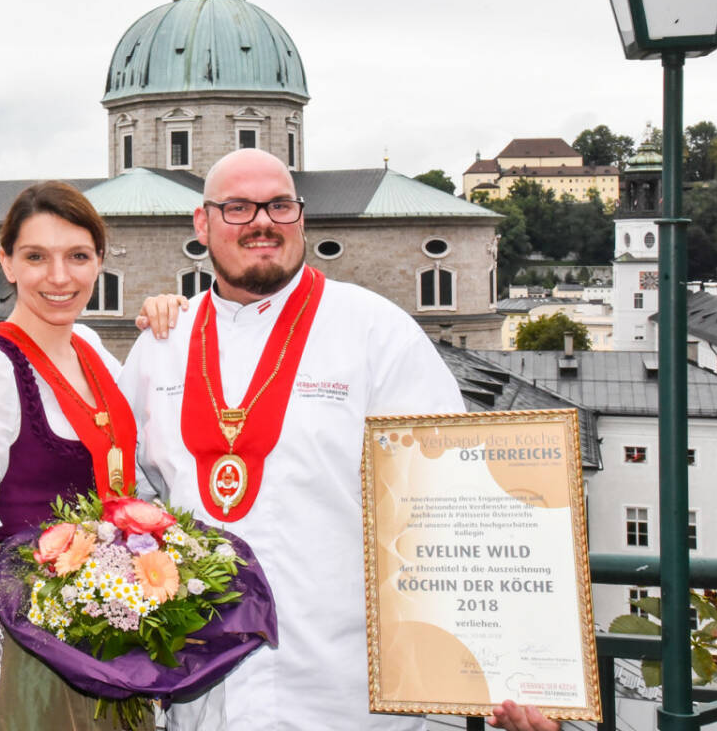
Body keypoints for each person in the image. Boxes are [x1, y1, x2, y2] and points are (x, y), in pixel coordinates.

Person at [123, 148, 558, 731]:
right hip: (203, 700)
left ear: (301, 218)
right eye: (237, 208)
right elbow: (128, 503)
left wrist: (513, 673)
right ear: (201, 225)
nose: (262, 222)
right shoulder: (160, 347)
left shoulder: (377, 331)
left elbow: (459, 503)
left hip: (348, 694)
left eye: (279, 205)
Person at [0, 181, 141, 731]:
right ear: (7, 263)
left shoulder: (93, 353)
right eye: (36, 257)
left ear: (99, 263)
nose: (60, 277)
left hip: (100, 627)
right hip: (18, 639)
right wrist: (48, 617)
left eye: (78, 257)